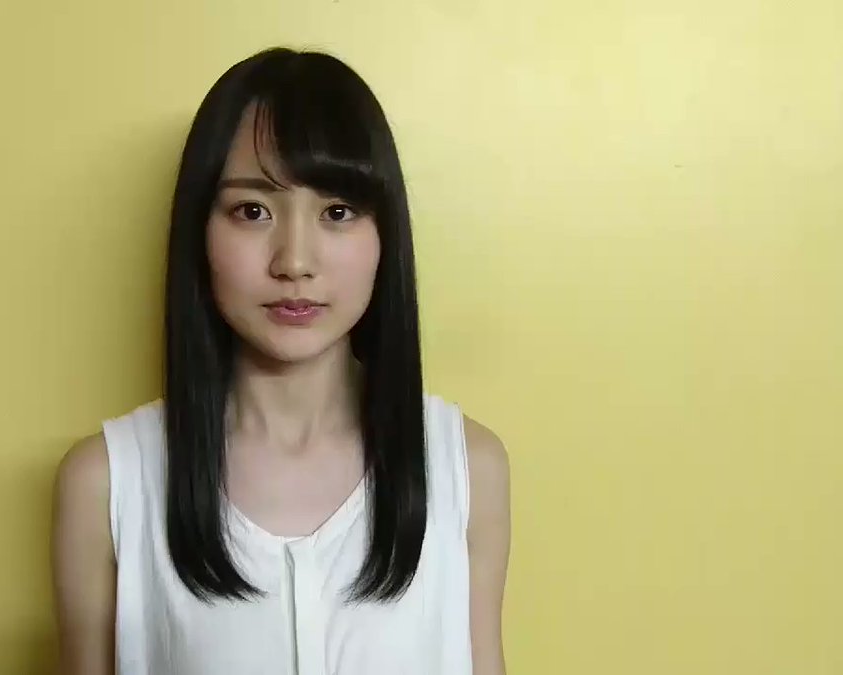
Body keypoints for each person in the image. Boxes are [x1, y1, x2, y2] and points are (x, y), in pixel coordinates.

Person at [51, 47, 511, 675]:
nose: (294, 261)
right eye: (253, 211)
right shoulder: (106, 483)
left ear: (385, 235)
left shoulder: (467, 469)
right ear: (199, 232)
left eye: (337, 212)